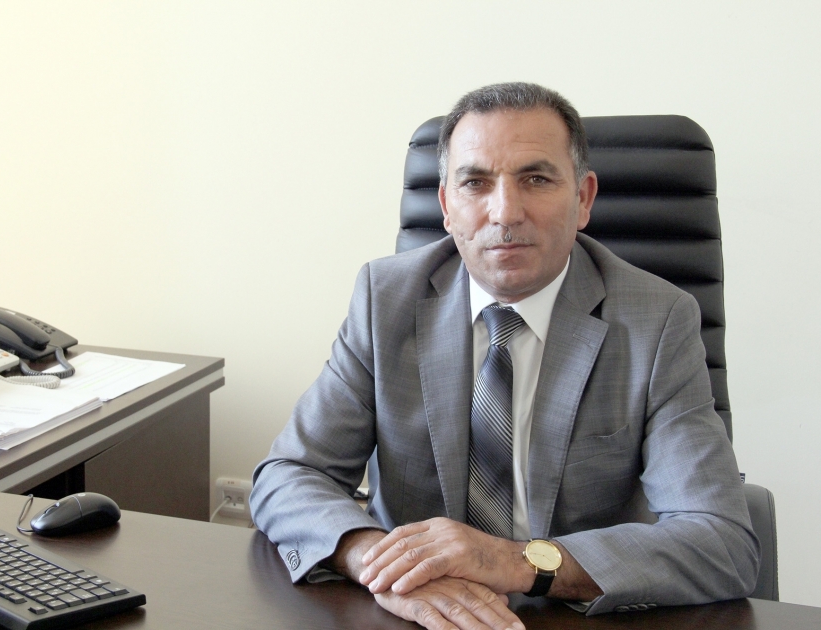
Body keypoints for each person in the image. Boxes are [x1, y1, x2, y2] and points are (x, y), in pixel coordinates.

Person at [251, 82, 759, 630]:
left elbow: (721, 542)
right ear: (446, 206)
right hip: (414, 613)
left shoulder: (656, 321)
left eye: (536, 179)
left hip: (570, 612)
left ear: (584, 198)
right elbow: (289, 474)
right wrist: (383, 562)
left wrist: (512, 562)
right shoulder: (385, 300)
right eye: (475, 183)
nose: (505, 212)